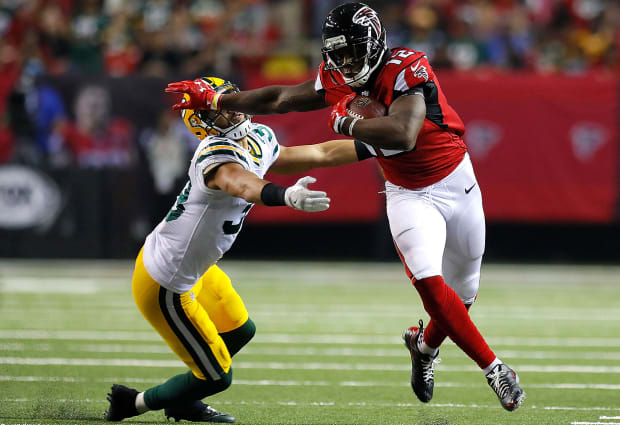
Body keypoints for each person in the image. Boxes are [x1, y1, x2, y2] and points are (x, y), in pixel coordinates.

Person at [165, 2, 525, 412]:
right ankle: (495, 369)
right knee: (427, 280)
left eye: (354, 51)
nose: (347, 63)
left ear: (374, 43)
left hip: (455, 183)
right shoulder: (335, 75)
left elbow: (405, 133)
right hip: (406, 192)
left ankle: (423, 347)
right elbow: (281, 96)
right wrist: (219, 98)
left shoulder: (408, 66)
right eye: (339, 54)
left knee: (463, 294)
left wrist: (347, 121)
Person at [104, 77, 367, 423]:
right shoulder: (213, 153)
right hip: (166, 281)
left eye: (228, 99)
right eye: (220, 107)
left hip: (194, 268)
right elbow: (241, 183)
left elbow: (317, 153)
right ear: (203, 124)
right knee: (217, 376)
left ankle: (186, 393)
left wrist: (376, 147)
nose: (231, 108)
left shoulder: (257, 136)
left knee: (241, 331)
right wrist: (285, 195)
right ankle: (133, 403)